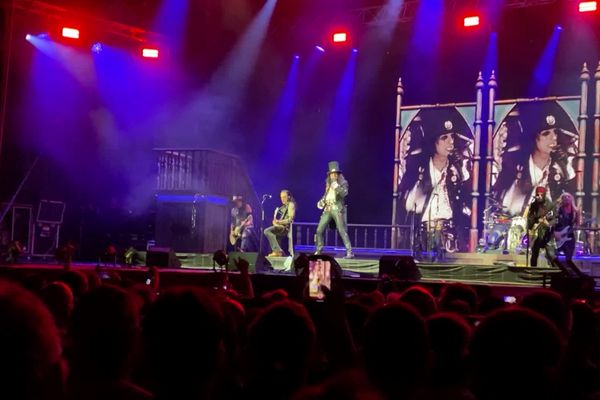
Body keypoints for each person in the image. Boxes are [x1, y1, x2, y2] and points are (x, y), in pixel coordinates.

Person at [399, 112, 472, 258]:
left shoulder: (457, 170)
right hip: (423, 233)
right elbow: (407, 204)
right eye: (444, 138)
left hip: (450, 234)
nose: (450, 142)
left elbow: (466, 204)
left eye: (452, 137)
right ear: (434, 142)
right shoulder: (418, 170)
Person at [493, 105, 577, 216]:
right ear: (533, 137)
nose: (554, 138)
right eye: (546, 133)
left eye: (555, 132)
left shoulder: (562, 168)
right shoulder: (513, 165)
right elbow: (499, 202)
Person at [315, 161, 353, 259]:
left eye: (336, 174)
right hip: (328, 208)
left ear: (338, 174)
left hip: (337, 208)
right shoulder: (328, 183)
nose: (334, 175)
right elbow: (326, 195)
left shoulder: (343, 183)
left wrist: (336, 186)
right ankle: (319, 249)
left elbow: (344, 194)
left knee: (341, 230)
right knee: (319, 230)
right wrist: (322, 201)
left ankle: (349, 251)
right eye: (332, 174)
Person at [526, 186, 558, 267]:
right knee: (534, 254)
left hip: (548, 234)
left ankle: (556, 272)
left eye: (541, 195)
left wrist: (547, 223)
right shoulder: (533, 205)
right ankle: (533, 273)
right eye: (537, 195)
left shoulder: (550, 205)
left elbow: (555, 220)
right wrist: (531, 222)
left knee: (551, 255)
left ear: (544, 195)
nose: (539, 197)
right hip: (537, 233)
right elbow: (530, 220)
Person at [264, 190, 296, 257]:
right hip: (280, 226)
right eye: (281, 197)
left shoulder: (291, 204)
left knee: (267, 231)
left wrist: (279, 222)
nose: (282, 199)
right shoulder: (283, 207)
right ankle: (278, 253)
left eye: (284, 197)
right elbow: (279, 218)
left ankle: (277, 251)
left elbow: (290, 219)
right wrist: (275, 222)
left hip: (285, 228)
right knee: (273, 234)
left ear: (289, 197)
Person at [553, 192, 579, 263]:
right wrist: (555, 233)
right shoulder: (558, 210)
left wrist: (577, 226)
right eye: (565, 197)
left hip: (569, 236)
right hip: (558, 235)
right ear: (562, 199)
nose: (567, 198)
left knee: (569, 258)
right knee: (554, 258)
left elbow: (577, 224)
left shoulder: (575, 211)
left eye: (568, 197)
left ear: (571, 199)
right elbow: (552, 223)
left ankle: (568, 271)